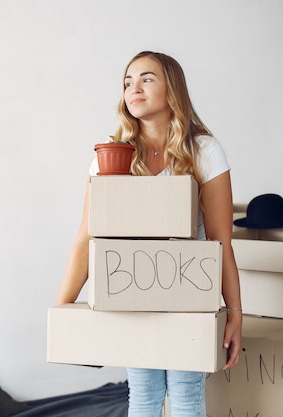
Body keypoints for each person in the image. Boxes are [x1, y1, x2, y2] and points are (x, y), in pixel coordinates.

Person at [55, 51, 242, 417]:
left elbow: (221, 244)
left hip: (189, 298)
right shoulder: (111, 157)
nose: (133, 88)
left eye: (146, 78)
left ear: (171, 88)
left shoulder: (203, 151)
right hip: (132, 297)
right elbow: (86, 238)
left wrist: (235, 314)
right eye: (127, 82)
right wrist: (62, 311)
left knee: (187, 398)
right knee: (143, 398)